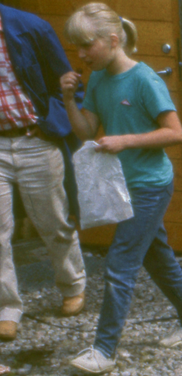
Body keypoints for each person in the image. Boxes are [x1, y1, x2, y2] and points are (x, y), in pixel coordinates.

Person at [60, 2, 182, 375]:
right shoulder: (97, 80)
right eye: (76, 47)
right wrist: (67, 100)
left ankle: (104, 350)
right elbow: (85, 131)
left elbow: (175, 133)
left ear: (112, 40)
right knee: (157, 256)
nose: (80, 54)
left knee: (120, 264)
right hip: (124, 185)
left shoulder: (144, 80)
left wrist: (124, 141)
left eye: (86, 46)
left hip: (149, 185)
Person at [0, 3, 87, 342]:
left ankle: (72, 284)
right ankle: (6, 308)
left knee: (52, 220)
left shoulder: (29, 26)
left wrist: (51, 125)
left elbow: (68, 85)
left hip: (34, 138)